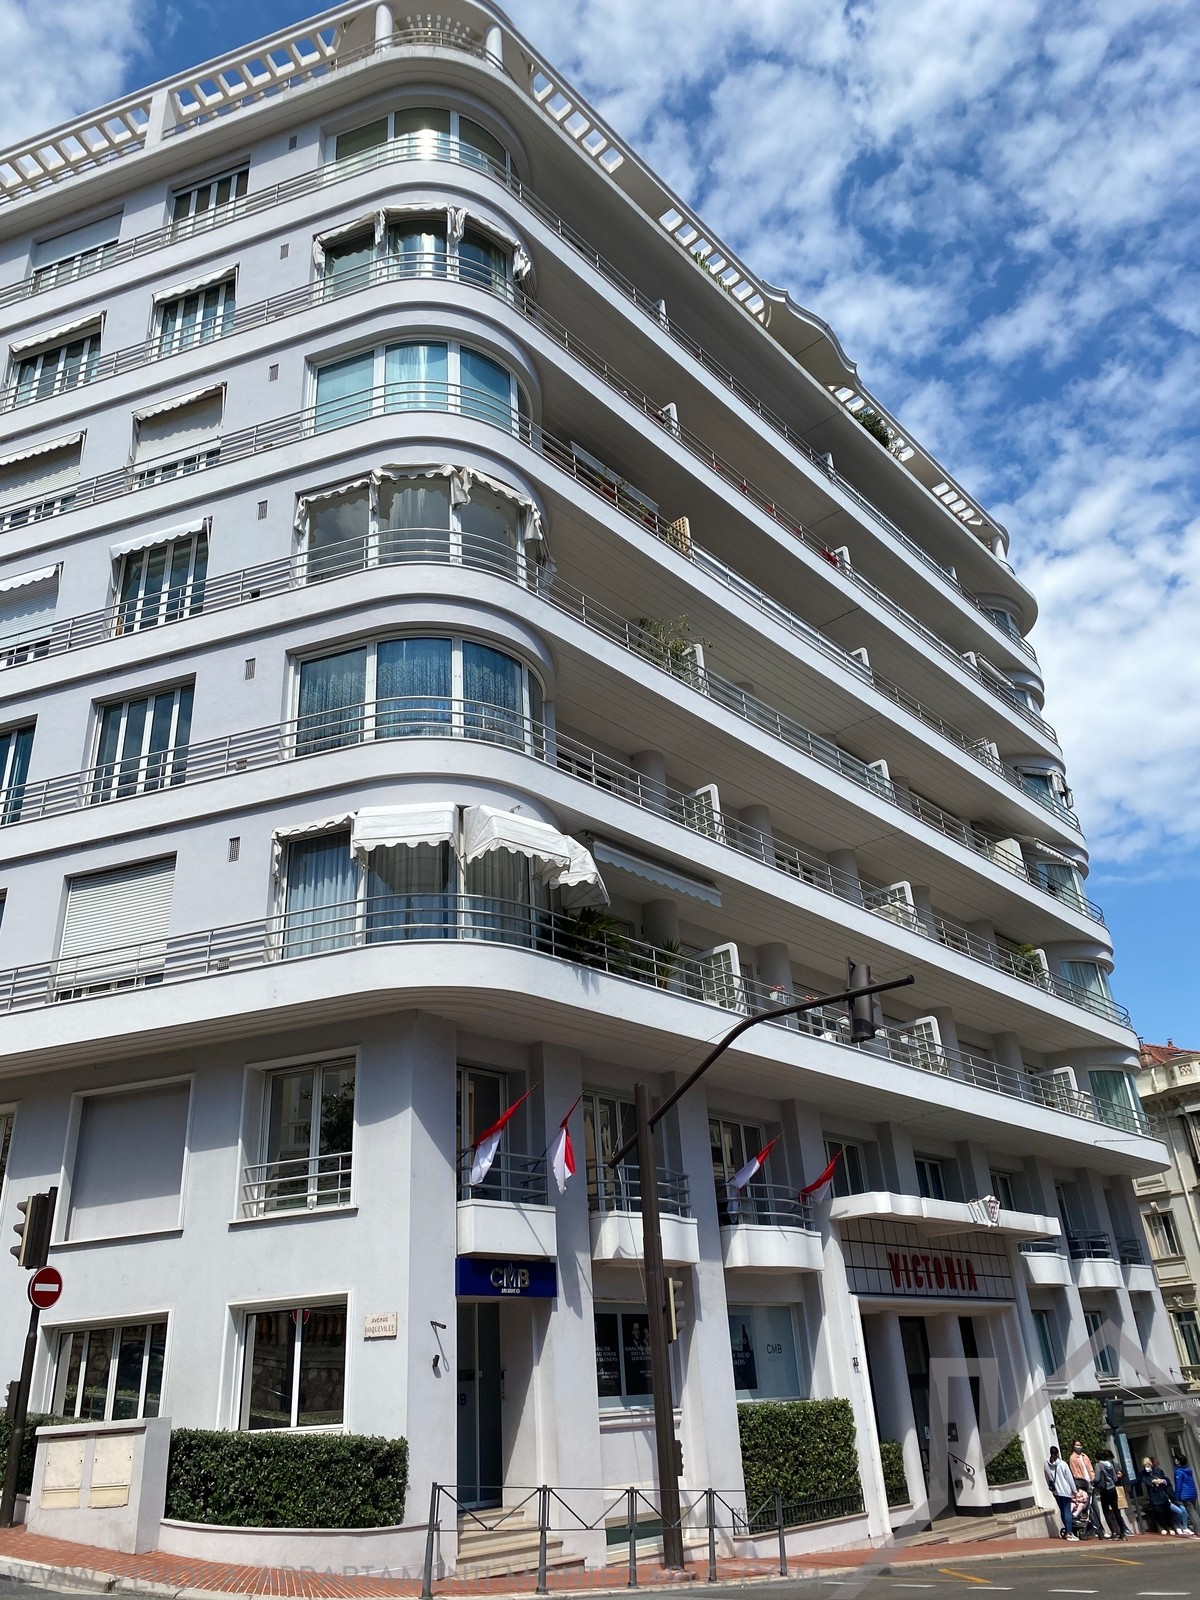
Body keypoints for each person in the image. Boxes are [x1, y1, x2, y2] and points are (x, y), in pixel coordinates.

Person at [1140, 1457, 1194, 1535]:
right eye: (1146, 1466)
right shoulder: (1144, 1475)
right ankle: (1176, 1527)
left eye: (1148, 1465)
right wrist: (1153, 1482)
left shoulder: (1159, 1472)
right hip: (1159, 1498)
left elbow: (1168, 1484)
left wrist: (1162, 1481)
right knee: (1170, 1512)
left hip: (1168, 1498)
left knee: (1183, 1511)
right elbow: (1144, 1481)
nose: (1147, 1468)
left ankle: (1183, 1527)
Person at [1069, 1439, 1105, 1536]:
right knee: (1088, 1508)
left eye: (1080, 1445)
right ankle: (1093, 1528)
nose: (1079, 1447)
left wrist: (1092, 1477)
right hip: (1083, 1486)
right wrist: (1084, 1482)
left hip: (1090, 1484)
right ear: (1073, 1446)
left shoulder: (1085, 1456)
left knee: (1095, 1508)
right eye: (1077, 1445)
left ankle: (1100, 1528)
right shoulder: (1073, 1458)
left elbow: (1090, 1468)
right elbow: (1075, 1473)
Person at [1046, 1445, 1079, 1539]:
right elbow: (1070, 1478)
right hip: (1065, 1491)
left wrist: (1052, 1488)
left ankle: (1067, 1530)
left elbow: (1047, 1477)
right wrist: (1074, 1490)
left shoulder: (1046, 1464)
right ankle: (1069, 1532)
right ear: (1058, 1453)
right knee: (1067, 1511)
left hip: (1056, 1491)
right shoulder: (1063, 1464)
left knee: (1062, 1511)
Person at [1095, 1449, 1128, 1539]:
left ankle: (1114, 1533)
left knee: (1106, 1512)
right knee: (1117, 1512)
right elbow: (1115, 1478)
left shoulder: (1098, 1465)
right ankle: (1122, 1533)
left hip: (1104, 1490)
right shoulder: (1110, 1464)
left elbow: (1097, 1478)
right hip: (1113, 1489)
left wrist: (1095, 1483)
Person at [1174, 1452, 1200, 1534]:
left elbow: (1178, 1486)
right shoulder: (1188, 1470)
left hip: (1185, 1494)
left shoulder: (1178, 1472)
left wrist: (1177, 1497)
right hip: (1193, 1493)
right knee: (1194, 1512)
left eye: (1176, 1459)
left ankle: (1198, 1531)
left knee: (1191, 1513)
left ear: (1178, 1461)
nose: (1175, 1460)